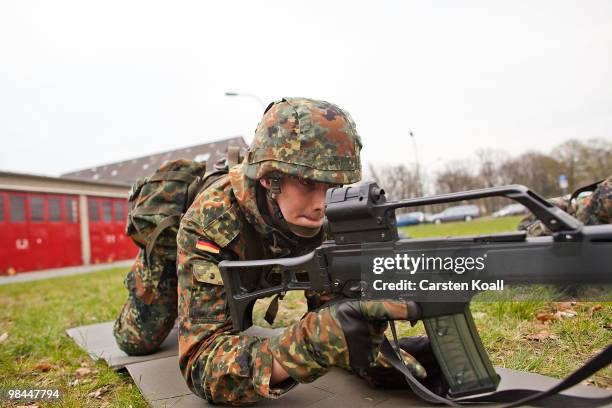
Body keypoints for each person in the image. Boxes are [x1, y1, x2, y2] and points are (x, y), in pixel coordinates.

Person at [114, 97, 433, 405]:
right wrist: (308, 345)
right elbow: (203, 363)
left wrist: (389, 361)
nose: (322, 204)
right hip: (182, 254)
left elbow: (334, 318)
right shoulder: (211, 221)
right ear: (270, 179)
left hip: (255, 265)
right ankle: (155, 276)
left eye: (334, 186)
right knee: (138, 340)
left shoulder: (329, 213)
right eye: (308, 184)